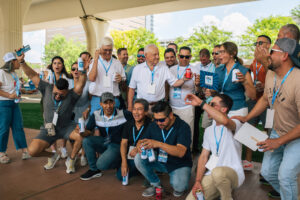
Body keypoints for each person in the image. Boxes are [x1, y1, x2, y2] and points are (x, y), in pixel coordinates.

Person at [233, 38, 300, 200]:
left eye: (272, 51)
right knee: (267, 172)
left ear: (284, 56)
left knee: (285, 176)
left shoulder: (298, 80)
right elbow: (265, 99)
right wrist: (247, 117)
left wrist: (278, 141)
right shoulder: (271, 73)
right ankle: (289, 194)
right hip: (277, 132)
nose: (268, 54)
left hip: (296, 137)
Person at [19, 51, 87, 170]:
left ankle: (71, 160)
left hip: (66, 128)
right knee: (32, 151)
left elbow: (80, 84)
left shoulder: (72, 94)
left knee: (80, 137)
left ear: (67, 91)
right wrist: (22, 61)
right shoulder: (47, 88)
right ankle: (53, 155)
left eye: (61, 95)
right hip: (48, 128)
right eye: (56, 93)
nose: (57, 96)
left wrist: (84, 71)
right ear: (53, 87)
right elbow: (32, 75)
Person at [185, 93, 244, 200]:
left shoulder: (236, 123)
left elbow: (225, 121)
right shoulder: (208, 130)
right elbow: (203, 157)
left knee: (218, 172)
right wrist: (197, 181)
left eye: (213, 104)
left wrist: (201, 103)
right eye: (209, 104)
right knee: (191, 199)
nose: (208, 106)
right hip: (213, 174)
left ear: (224, 109)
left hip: (234, 173)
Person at [134, 101, 192, 198]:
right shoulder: (154, 125)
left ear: (170, 115)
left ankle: (181, 179)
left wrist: (158, 144)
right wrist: (139, 145)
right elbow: (141, 140)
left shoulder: (183, 127)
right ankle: (156, 185)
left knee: (179, 188)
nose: (158, 123)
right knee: (138, 158)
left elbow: (181, 152)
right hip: (161, 160)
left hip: (179, 163)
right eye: (156, 120)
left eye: (161, 120)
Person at [80, 92, 132, 180]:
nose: (108, 106)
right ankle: (94, 170)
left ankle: (121, 160)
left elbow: (137, 119)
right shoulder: (96, 115)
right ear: (101, 104)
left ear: (114, 103)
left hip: (117, 145)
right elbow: (88, 131)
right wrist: (82, 133)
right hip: (105, 142)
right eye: (105, 103)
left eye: (110, 102)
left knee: (101, 164)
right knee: (86, 141)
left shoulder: (123, 114)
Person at [128, 44, 189, 112]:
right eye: (155, 55)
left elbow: (174, 83)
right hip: (142, 107)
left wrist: (184, 79)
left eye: (158, 54)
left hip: (159, 106)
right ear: (146, 55)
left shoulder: (163, 68)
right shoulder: (137, 69)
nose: (157, 57)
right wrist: (130, 106)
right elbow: (131, 89)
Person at [243, 35, 271, 171]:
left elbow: (276, 78)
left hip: (269, 103)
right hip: (255, 100)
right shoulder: (255, 60)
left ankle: (267, 166)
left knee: (269, 132)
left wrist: (264, 85)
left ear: (268, 45)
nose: (258, 45)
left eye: (261, 42)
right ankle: (248, 162)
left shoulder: (271, 59)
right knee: (249, 129)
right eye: (256, 42)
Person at [0, 52, 30, 164]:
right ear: (12, 61)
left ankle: (24, 150)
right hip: (3, 104)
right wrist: (9, 96)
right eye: (18, 61)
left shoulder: (13, 73)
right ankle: (1, 152)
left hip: (14, 104)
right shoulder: (1, 72)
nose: (19, 63)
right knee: (4, 129)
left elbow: (13, 88)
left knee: (18, 127)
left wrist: (25, 91)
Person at [169, 46, 199, 149]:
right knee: (173, 134)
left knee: (187, 134)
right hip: (172, 107)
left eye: (187, 57)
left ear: (190, 57)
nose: (184, 59)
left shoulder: (195, 70)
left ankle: (187, 158)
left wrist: (198, 84)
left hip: (187, 107)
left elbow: (198, 91)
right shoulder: (172, 69)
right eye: (182, 56)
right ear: (178, 56)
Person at [215, 41, 256, 117]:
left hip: (237, 110)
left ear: (232, 54)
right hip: (220, 109)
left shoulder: (243, 70)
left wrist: (245, 82)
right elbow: (214, 92)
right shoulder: (218, 70)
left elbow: (253, 96)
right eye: (219, 53)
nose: (219, 56)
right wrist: (208, 89)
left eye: (222, 52)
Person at [43, 56, 73, 159]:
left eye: (59, 63)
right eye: (54, 63)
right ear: (52, 65)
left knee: (63, 124)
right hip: (50, 105)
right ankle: (54, 150)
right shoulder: (48, 77)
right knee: (49, 125)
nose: (57, 65)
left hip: (63, 105)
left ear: (63, 65)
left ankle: (63, 147)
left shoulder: (67, 78)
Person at [88, 36, 126, 114]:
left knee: (114, 124)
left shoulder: (117, 63)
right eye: (105, 50)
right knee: (95, 124)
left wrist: (121, 80)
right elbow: (92, 78)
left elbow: (124, 87)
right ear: (100, 49)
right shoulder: (94, 62)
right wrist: (96, 59)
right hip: (98, 100)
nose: (108, 52)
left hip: (114, 100)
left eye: (110, 50)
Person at [117, 98, 151, 182]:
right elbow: (124, 143)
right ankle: (139, 170)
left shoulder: (151, 125)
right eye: (134, 109)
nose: (136, 112)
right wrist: (124, 162)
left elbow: (152, 143)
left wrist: (138, 148)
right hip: (130, 154)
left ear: (146, 112)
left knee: (141, 159)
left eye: (139, 109)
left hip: (144, 154)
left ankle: (147, 170)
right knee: (120, 176)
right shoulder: (128, 124)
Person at [193, 48, 216, 152]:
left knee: (208, 124)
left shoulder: (214, 67)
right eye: (201, 58)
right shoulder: (196, 66)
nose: (202, 60)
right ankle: (196, 146)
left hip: (210, 99)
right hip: (199, 97)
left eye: (204, 58)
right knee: (196, 122)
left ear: (208, 57)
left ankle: (209, 148)